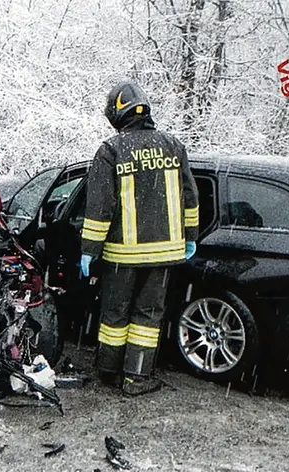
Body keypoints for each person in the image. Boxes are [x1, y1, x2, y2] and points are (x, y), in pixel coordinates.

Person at [80, 81, 199, 396]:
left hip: (123, 254)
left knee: (114, 314)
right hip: (164, 255)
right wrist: (191, 237)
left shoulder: (111, 150)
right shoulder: (174, 146)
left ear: (117, 115)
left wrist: (89, 249)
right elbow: (190, 196)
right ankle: (137, 378)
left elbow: (100, 206)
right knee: (148, 317)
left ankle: (108, 370)